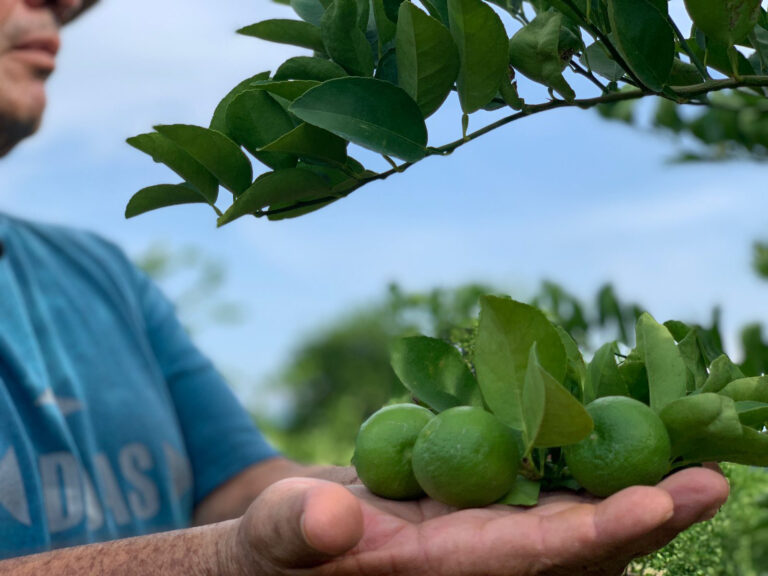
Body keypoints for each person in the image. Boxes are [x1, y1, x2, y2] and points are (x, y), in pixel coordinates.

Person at [0, 0, 731, 574]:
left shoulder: (99, 276)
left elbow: (233, 485)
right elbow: (227, 537)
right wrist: (227, 562)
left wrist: (373, 498)